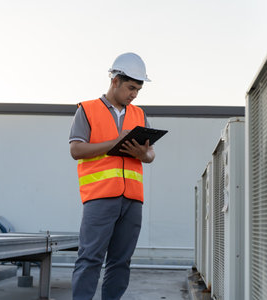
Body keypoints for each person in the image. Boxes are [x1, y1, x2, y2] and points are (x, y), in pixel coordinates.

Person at [69, 52, 155, 300]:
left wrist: (143, 154)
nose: (134, 94)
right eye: (130, 88)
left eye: (138, 90)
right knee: (90, 259)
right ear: (115, 80)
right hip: (100, 198)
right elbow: (76, 150)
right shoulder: (87, 110)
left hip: (133, 200)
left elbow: (151, 156)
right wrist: (114, 142)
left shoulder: (140, 115)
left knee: (121, 262)